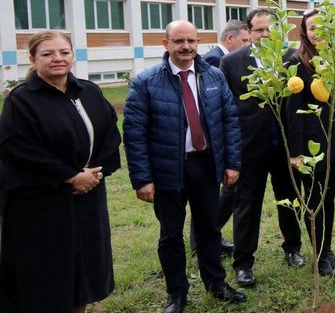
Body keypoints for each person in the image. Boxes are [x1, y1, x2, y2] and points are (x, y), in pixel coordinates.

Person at [123, 20, 246, 313]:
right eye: (179, 41)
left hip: (205, 167)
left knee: (209, 230)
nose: (186, 47)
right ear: (165, 44)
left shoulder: (213, 76)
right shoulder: (146, 82)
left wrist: (232, 163)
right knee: (171, 236)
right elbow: (134, 134)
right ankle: (177, 294)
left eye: (191, 41)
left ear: (198, 42)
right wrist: (142, 179)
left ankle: (216, 284)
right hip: (168, 170)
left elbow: (230, 122)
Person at [0, 31, 121, 312]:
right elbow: (17, 147)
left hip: (87, 197)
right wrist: (70, 177)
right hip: (42, 203)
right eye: (48, 54)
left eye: (64, 52)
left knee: (83, 273)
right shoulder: (22, 100)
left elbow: (109, 135)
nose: (58, 59)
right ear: (32, 59)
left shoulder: (89, 91)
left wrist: (92, 174)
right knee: (49, 277)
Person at [220, 8, 303, 288]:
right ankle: (243, 263)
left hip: (284, 148)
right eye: (259, 30)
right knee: (246, 205)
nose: (265, 34)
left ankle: (293, 248)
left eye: (270, 29)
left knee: (289, 201)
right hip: (249, 148)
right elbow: (226, 110)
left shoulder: (291, 58)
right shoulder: (230, 63)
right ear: (249, 32)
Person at [284, 9, 335, 278]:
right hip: (311, 148)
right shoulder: (296, 63)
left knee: (329, 196)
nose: (317, 32)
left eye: (321, 27)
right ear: (305, 33)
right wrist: (295, 153)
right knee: (316, 199)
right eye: (311, 28)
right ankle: (320, 256)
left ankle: (326, 250)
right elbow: (292, 112)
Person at [191, 19, 249, 256]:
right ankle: (205, 237)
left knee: (227, 192)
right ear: (230, 39)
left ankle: (207, 236)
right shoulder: (217, 60)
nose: (248, 45)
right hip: (220, 140)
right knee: (226, 192)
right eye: (244, 40)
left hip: (228, 139)